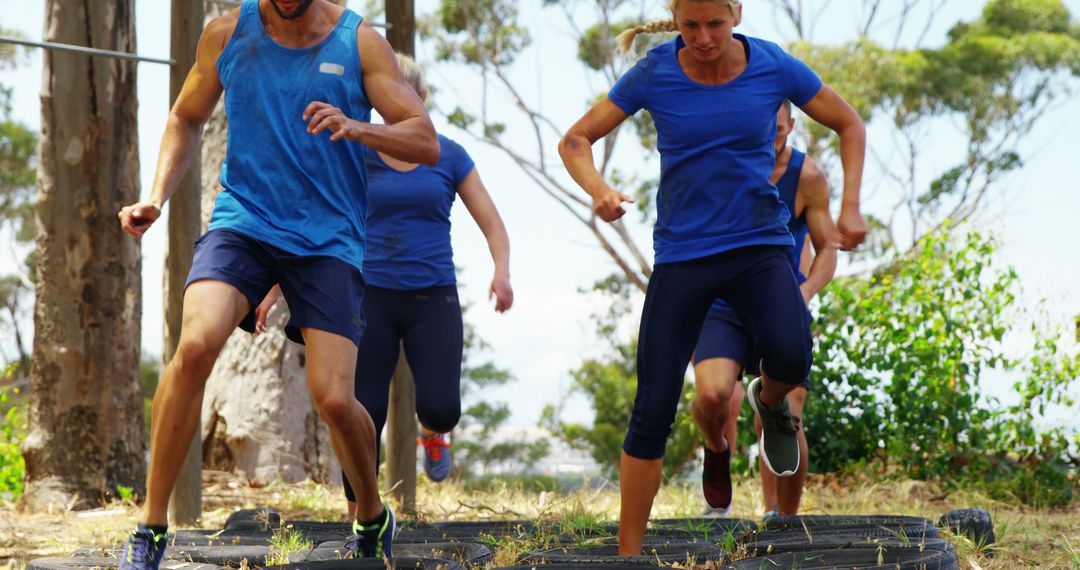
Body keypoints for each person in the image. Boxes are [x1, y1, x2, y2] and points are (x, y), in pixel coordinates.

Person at [115, 1, 439, 567]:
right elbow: (186, 117)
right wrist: (156, 195)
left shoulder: (358, 41)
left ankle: (370, 515)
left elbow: (423, 139)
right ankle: (150, 529)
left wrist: (358, 126)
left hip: (328, 237)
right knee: (193, 348)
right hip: (246, 220)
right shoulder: (226, 35)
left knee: (335, 400)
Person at [557, 0, 866, 554]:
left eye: (714, 24)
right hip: (685, 256)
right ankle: (629, 555)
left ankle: (768, 405)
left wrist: (851, 209)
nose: (702, 37)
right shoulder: (655, 72)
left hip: (759, 247)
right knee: (652, 406)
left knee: (791, 356)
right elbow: (576, 140)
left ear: (737, 15)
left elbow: (848, 122)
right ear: (676, 19)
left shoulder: (773, 65)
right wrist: (598, 190)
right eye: (690, 25)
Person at [254, 54, 513, 518]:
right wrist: (272, 286)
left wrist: (501, 271)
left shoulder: (448, 155)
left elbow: (491, 221)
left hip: (431, 295)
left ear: (422, 100)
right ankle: (360, 517)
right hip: (365, 295)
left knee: (441, 406)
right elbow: (308, 222)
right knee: (362, 411)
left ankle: (432, 432)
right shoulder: (354, 152)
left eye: (406, 97)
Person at [693, 100, 837, 518]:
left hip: (778, 301)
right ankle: (716, 448)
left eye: (776, 129)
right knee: (713, 395)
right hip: (721, 303)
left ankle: (781, 518)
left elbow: (827, 247)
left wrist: (805, 293)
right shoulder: (721, 166)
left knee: (785, 417)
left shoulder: (806, 176)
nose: (767, 138)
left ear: (790, 126)